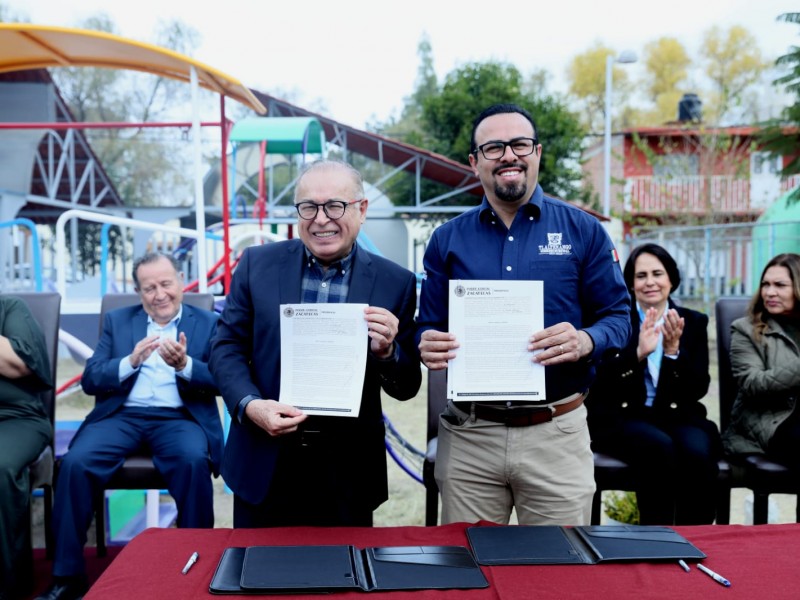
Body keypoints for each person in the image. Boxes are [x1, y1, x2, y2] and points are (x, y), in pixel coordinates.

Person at [416, 103, 630, 526]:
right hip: (471, 436)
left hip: (557, 433)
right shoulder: (446, 240)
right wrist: (425, 343)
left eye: (520, 144)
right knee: (470, 573)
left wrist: (586, 340)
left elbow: (619, 318)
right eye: (494, 147)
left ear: (538, 153)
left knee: (559, 578)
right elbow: (427, 326)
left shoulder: (583, 231)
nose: (509, 155)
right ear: (475, 162)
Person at [210, 159, 421, 528]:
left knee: (342, 582)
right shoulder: (256, 265)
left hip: (348, 473)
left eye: (335, 205)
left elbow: (406, 386)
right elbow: (225, 347)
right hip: (265, 460)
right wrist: (250, 405)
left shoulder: (395, 283)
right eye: (309, 206)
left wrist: (389, 353)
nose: (321, 219)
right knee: (256, 576)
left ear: (362, 209)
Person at [37, 252, 222, 600]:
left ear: (181, 281)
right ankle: (68, 577)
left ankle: (196, 569)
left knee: (192, 462)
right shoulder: (118, 321)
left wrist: (185, 366)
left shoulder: (208, 323)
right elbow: (91, 379)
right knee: (75, 464)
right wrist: (130, 361)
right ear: (139, 293)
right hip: (122, 417)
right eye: (149, 288)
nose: (159, 294)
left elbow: (222, 379)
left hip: (179, 418)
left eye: (166, 284)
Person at [587, 243, 721, 525]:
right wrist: (637, 354)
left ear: (671, 279)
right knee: (658, 446)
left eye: (657, 273)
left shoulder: (693, 322)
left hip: (678, 416)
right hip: (624, 417)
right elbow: (599, 384)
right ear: (630, 284)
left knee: (697, 451)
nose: (650, 282)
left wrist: (673, 352)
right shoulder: (616, 322)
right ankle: (657, 537)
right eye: (641, 275)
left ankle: (696, 539)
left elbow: (698, 388)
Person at [723, 253, 800, 468]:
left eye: (780, 285)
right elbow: (752, 382)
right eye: (765, 284)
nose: (770, 292)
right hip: (767, 423)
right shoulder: (745, 329)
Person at [0, 296, 53, 599]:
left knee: (2, 466)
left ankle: (9, 586)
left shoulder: (11, 308)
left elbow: (19, 363)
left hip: (16, 418)